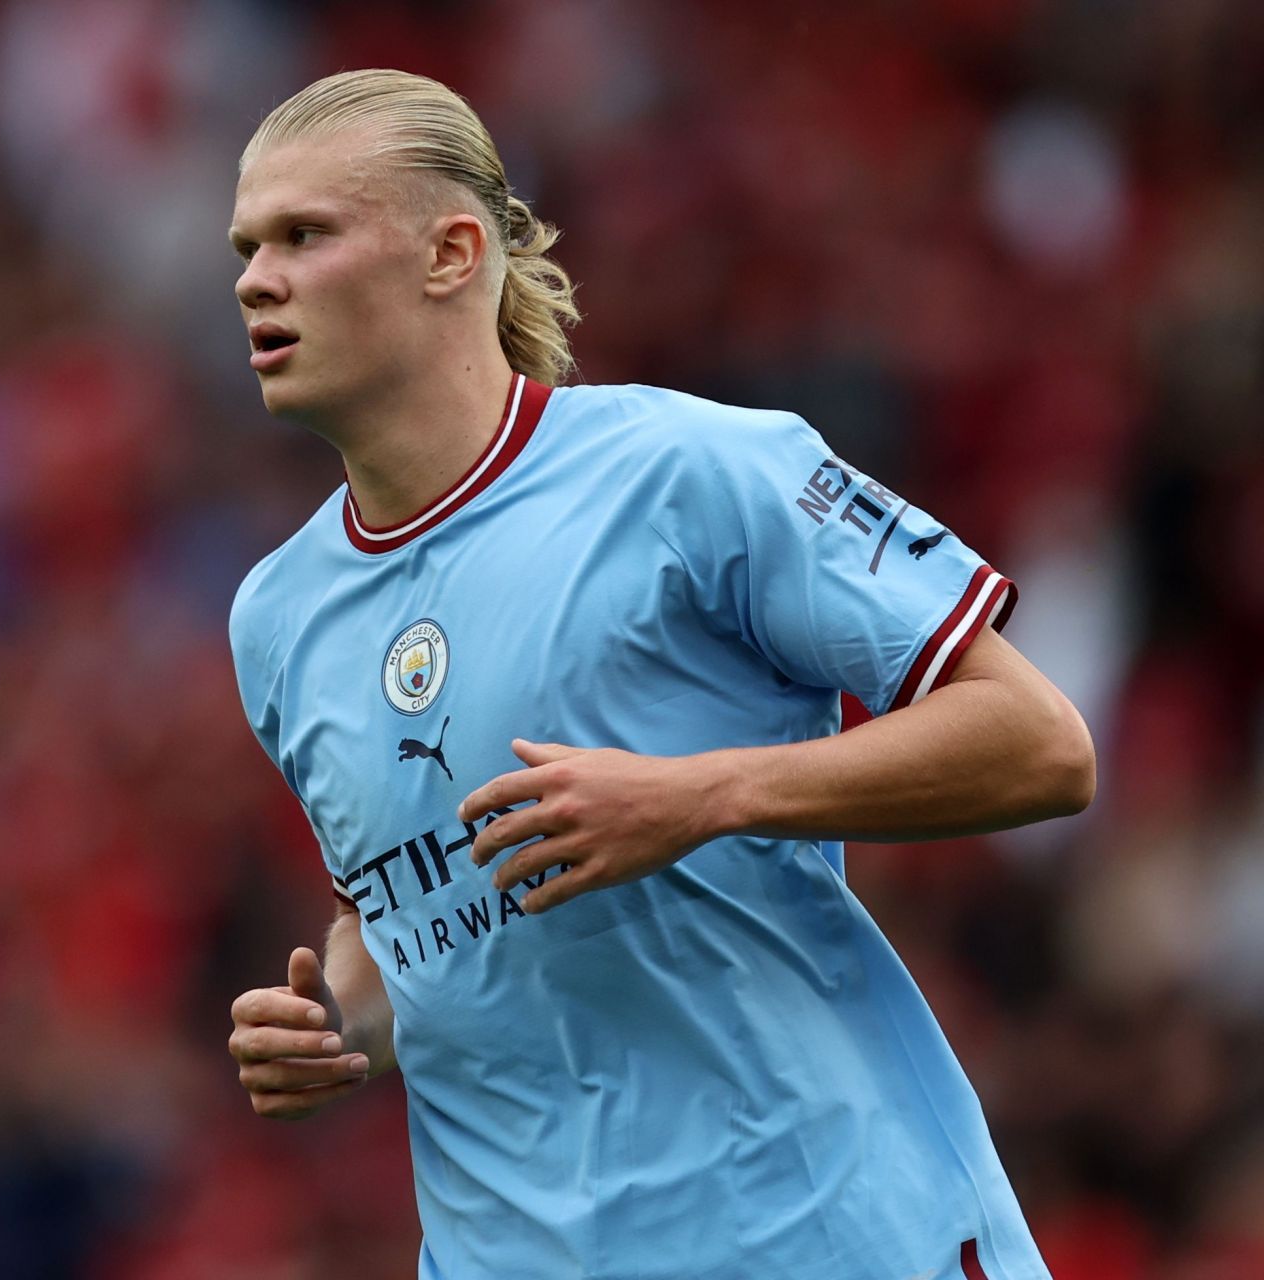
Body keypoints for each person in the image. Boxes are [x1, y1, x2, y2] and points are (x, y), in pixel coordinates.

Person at [223, 68, 1093, 1280]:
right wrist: (343, 1025)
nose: (255, 278)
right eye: (248, 245)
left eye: (304, 235)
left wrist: (706, 796)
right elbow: (410, 904)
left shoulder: (690, 472)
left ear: (451, 254)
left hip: (822, 1233)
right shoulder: (276, 616)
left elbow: (1041, 743)